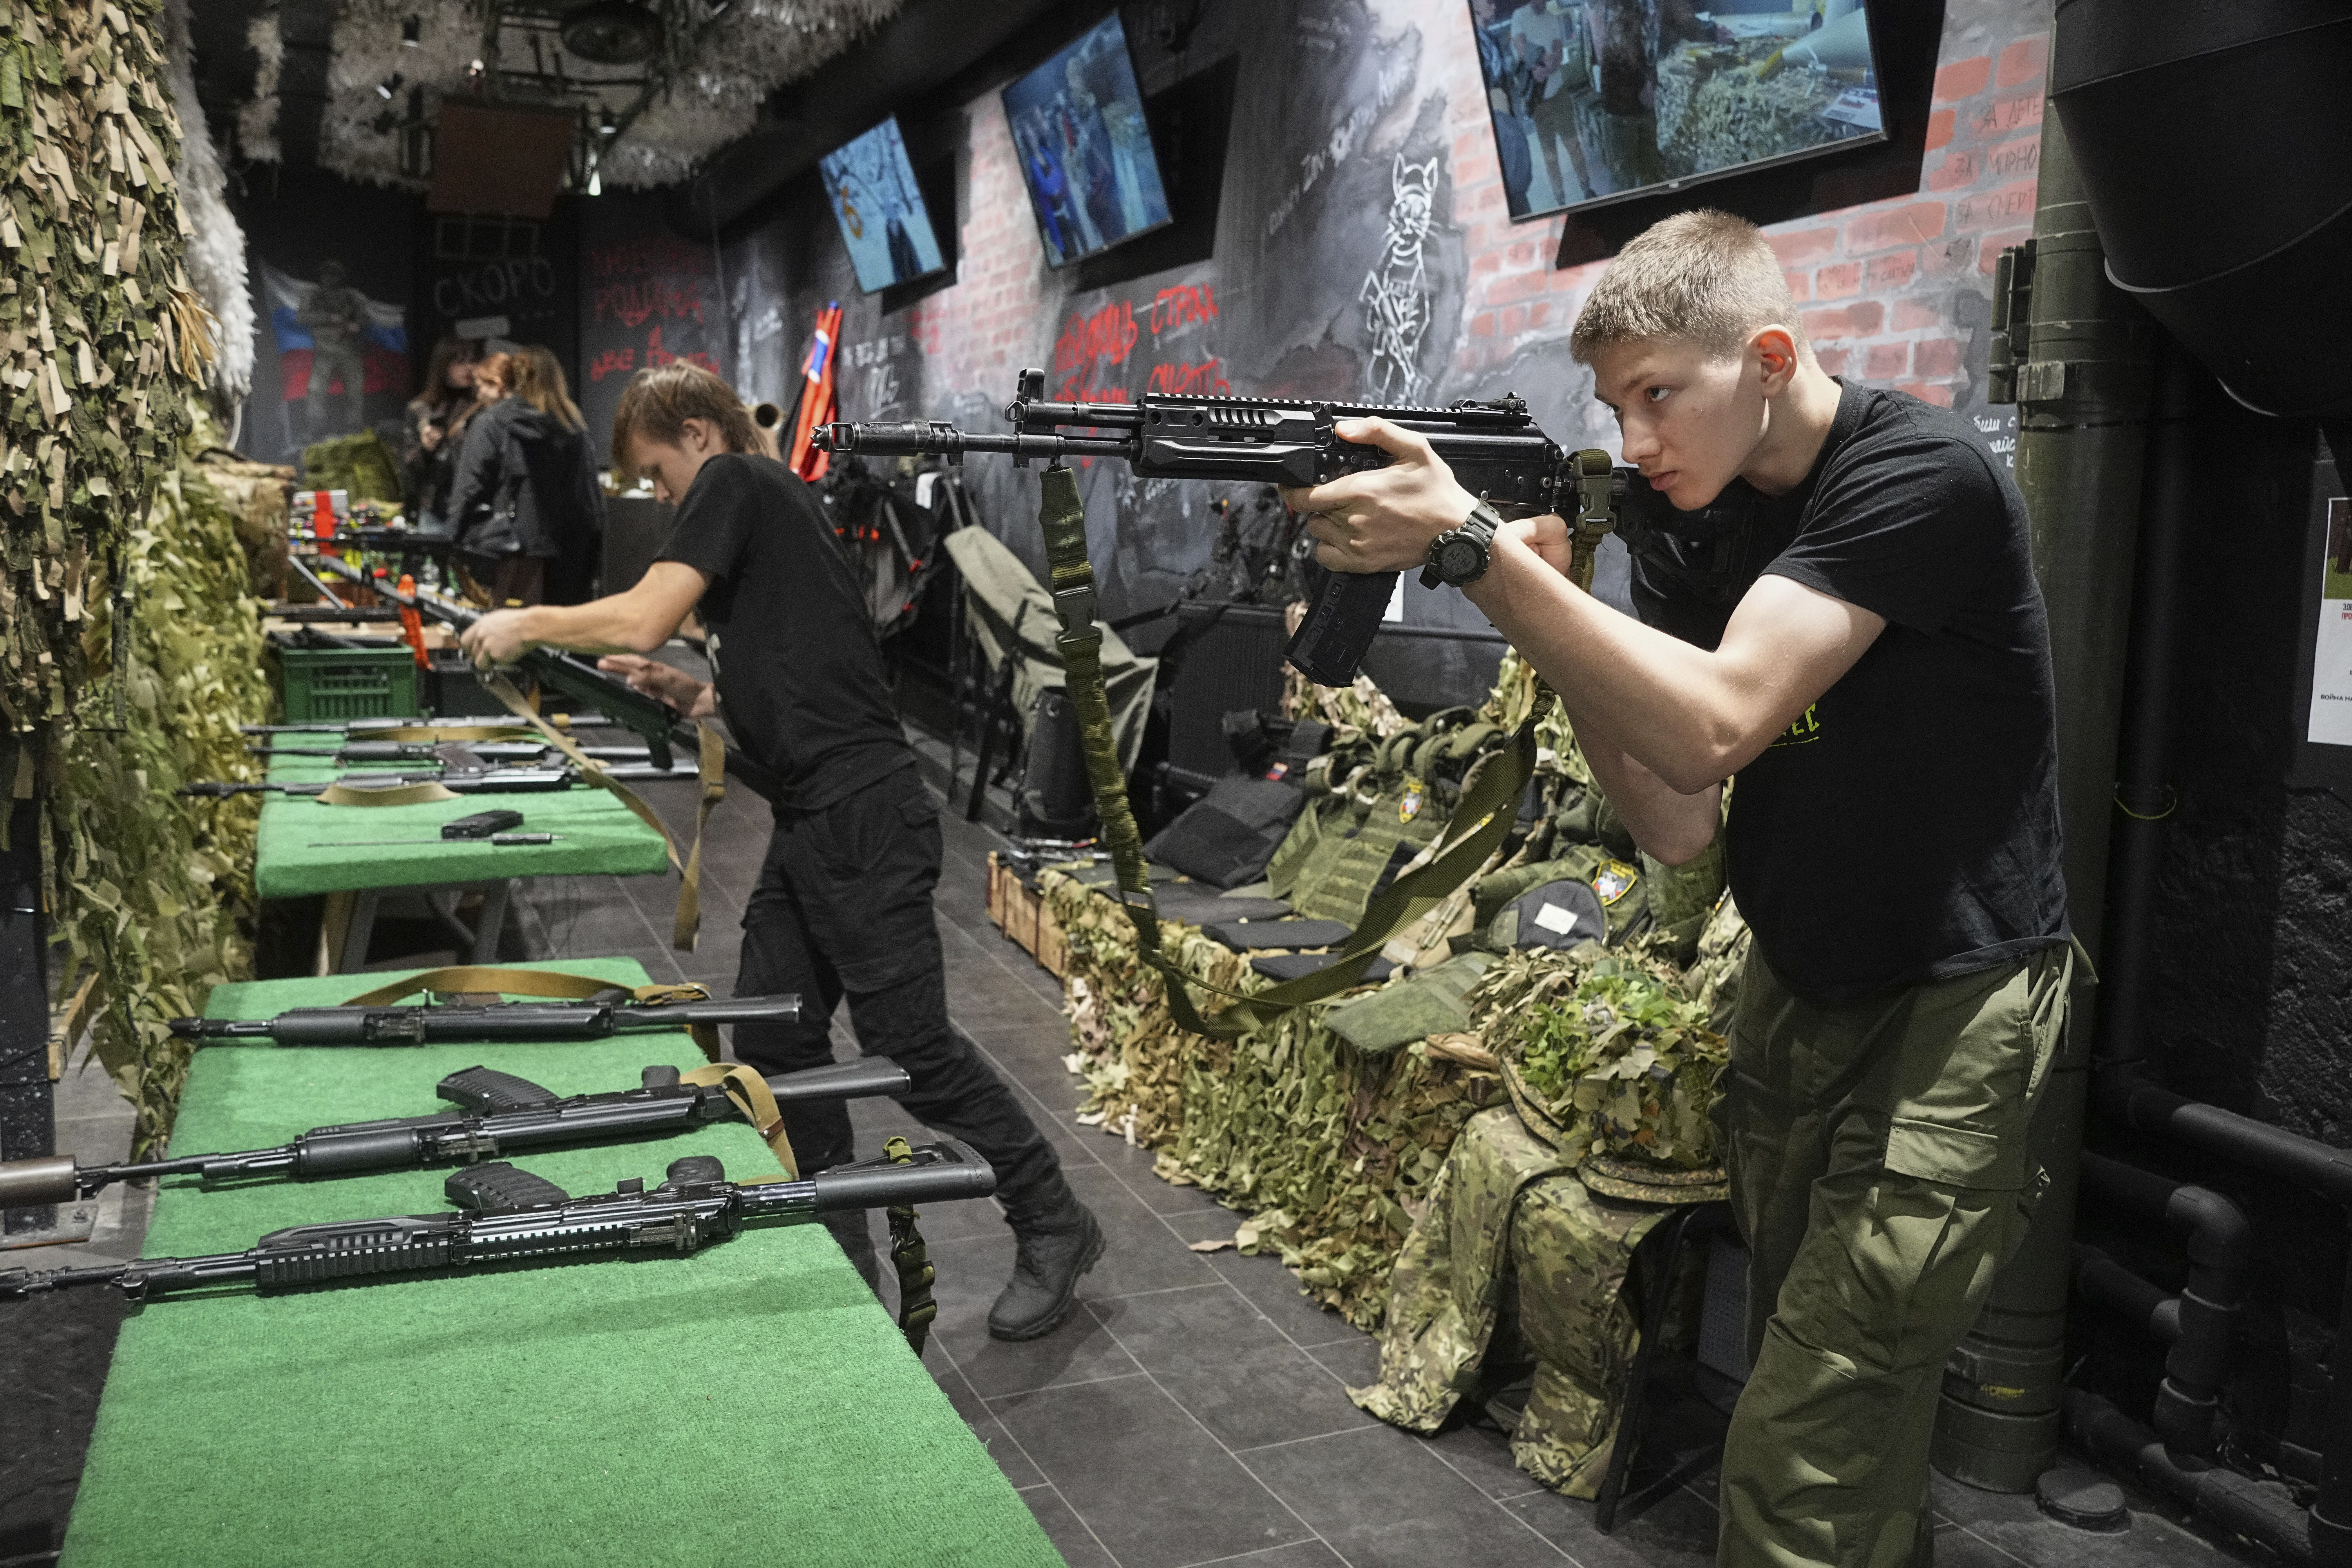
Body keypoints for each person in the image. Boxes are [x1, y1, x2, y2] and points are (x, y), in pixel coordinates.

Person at [1281, 209, 2069, 1566]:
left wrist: (1476, 553)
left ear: (1765, 356)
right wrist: (1554, 593)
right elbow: (1680, 819)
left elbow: (1714, 720)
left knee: (1801, 1438)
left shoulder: (1915, 478)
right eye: (1612, 404)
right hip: (1802, 980)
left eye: (1660, 395)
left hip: (1952, 1005)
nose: (1633, 439)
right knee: (1819, 1383)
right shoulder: (1701, 522)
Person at [455, 362, 1105, 1341]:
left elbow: (643, 614)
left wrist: (525, 622)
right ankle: (834, 1239)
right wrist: (694, 696)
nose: (663, 498)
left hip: (858, 818)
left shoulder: (738, 481)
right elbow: (800, 670)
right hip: (819, 815)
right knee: (778, 1036)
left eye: (658, 474)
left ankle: (1051, 1215)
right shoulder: (775, 503)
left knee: (910, 1050)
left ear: (694, 433)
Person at [401, 335, 480, 534]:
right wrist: (425, 448)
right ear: (444, 366)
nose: (469, 368)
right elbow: (408, 469)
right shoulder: (421, 409)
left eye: (472, 361)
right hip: (435, 505)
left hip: (475, 505)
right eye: (460, 362)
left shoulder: (481, 406)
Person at [296, 258, 371, 441]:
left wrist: (356, 326)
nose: (329, 279)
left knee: (355, 392)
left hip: (349, 350)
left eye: (333, 276)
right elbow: (302, 317)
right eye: (326, 275)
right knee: (315, 391)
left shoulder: (353, 297)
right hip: (325, 351)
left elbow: (365, 318)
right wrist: (330, 319)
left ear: (340, 278)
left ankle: (354, 430)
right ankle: (316, 430)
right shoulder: (314, 295)